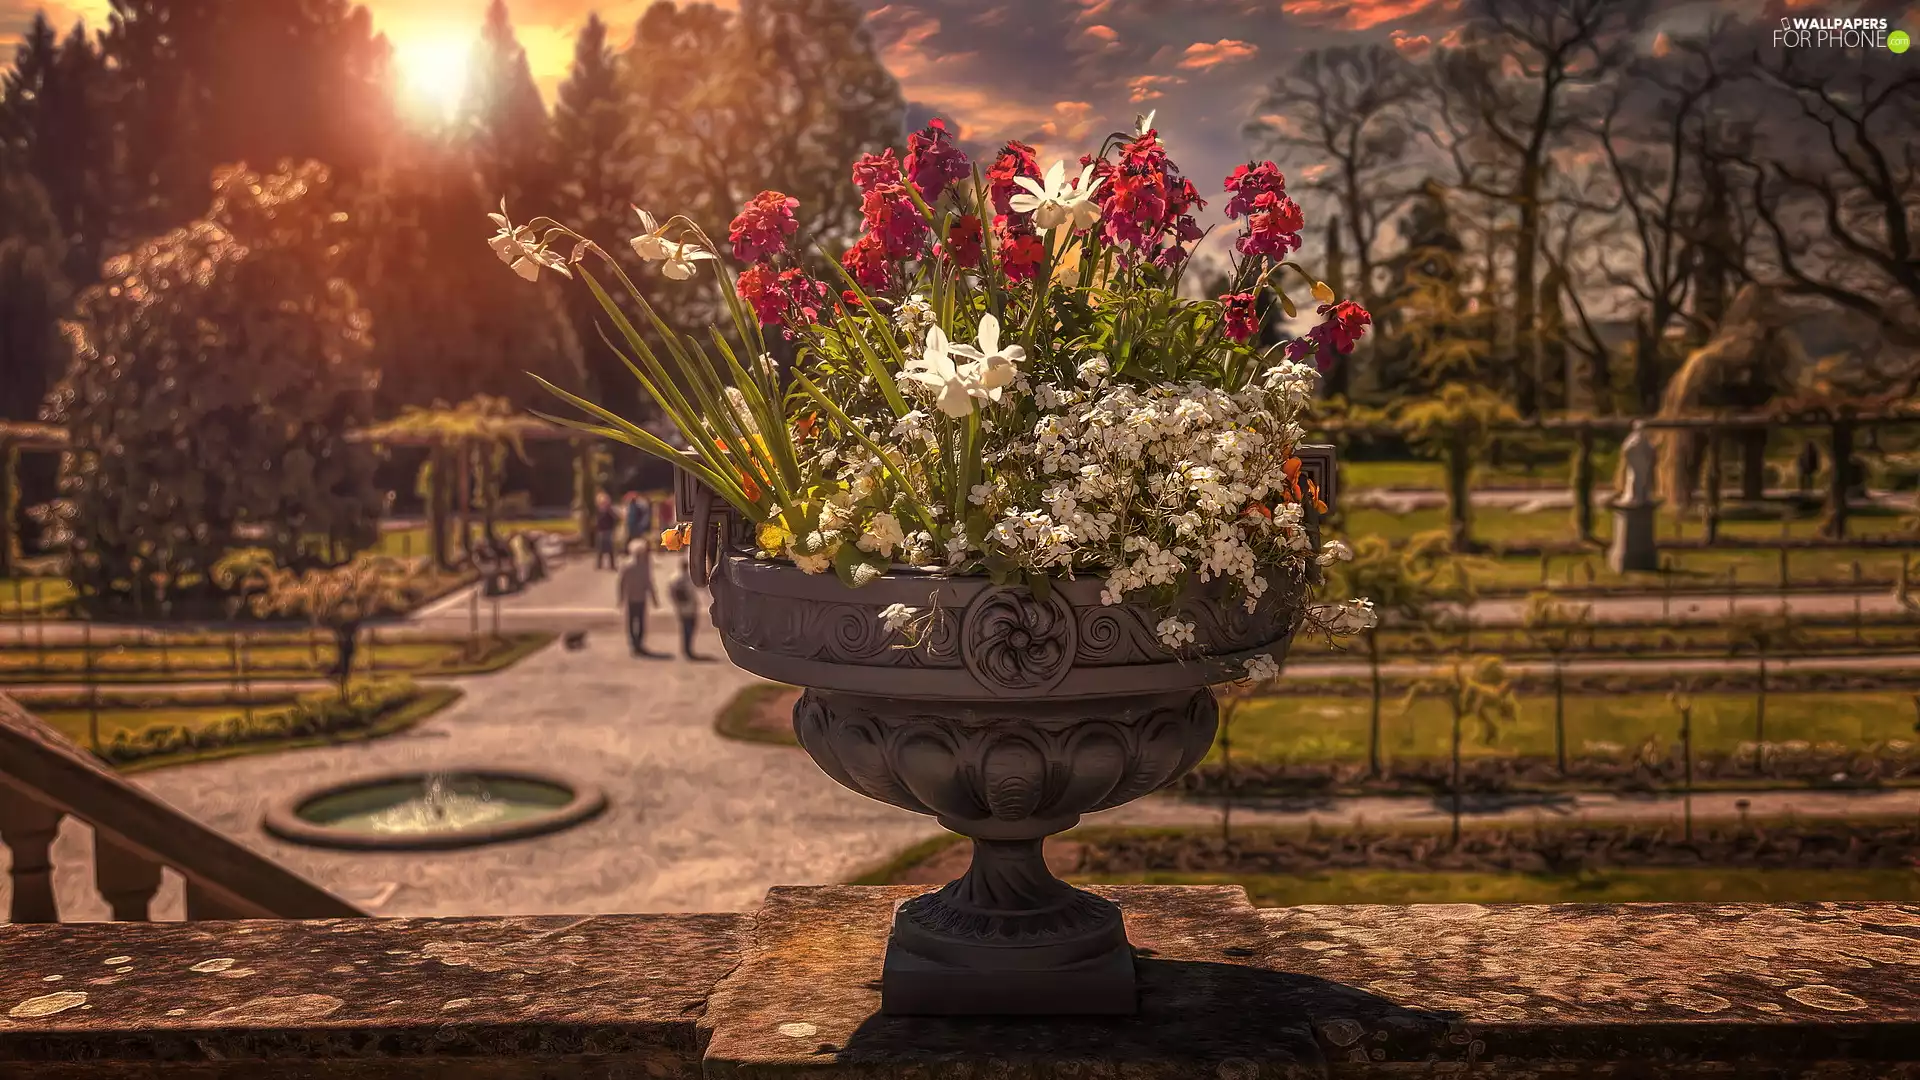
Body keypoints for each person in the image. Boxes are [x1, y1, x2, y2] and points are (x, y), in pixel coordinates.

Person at [618, 538, 665, 657]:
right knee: (639, 622)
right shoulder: (642, 567)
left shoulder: (627, 566)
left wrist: (621, 598)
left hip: (632, 598)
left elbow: (622, 584)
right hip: (639, 598)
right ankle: (637, 644)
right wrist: (654, 599)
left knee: (632, 622)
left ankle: (635, 644)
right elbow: (648, 583)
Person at [668, 566, 709, 661]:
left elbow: (671, 592)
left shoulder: (675, 578)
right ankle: (687, 650)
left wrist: (676, 603)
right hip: (689, 608)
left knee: (685, 629)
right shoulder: (688, 578)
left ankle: (686, 649)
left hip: (682, 608)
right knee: (689, 629)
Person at [593, 491, 618, 570]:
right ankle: (599, 564)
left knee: (610, 548)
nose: (603, 503)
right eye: (602, 501)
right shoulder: (599, 510)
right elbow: (597, 520)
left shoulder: (610, 510)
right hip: (601, 530)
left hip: (608, 530)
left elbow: (615, 519)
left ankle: (612, 565)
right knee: (600, 548)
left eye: (605, 501)